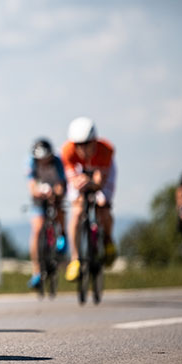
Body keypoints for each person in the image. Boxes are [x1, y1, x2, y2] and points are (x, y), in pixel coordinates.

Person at [61, 117, 117, 282]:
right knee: (77, 212)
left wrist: (93, 184)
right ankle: (75, 259)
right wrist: (80, 184)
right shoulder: (67, 151)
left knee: (103, 206)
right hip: (81, 174)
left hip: (101, 174)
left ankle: (107, 239)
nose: (83, 149)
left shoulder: (105, 150)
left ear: (94, 141)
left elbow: (100, 183)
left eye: (87, 144)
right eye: (78, 145)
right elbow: (72, 180)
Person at [26, 138, 67, 290]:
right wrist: (39, 191)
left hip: (55, 192)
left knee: (60, 209)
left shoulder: (58, 161)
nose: (43, 162)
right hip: (39, 196)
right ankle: (36, 271)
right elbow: (31, 185)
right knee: (37, 229)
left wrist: (55, 193)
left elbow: (61, 185)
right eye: (40, 160)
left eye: (46, 159)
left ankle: (63, 235)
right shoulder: (30, 162)